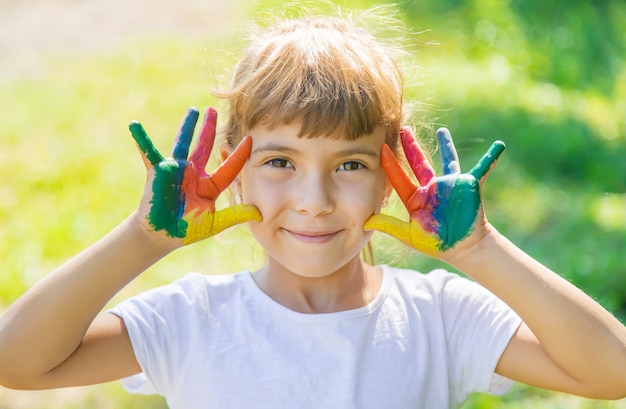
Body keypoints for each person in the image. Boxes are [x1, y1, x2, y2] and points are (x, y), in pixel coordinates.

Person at [1, 10, 625, 409]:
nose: (314, 200)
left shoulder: (439, 317)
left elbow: (612, 373)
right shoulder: (194, 321)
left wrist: (480, 252)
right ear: (232, 170)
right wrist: (143, 240)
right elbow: (16, 362)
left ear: (393, 177)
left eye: (350, 165)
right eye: (279, 162)